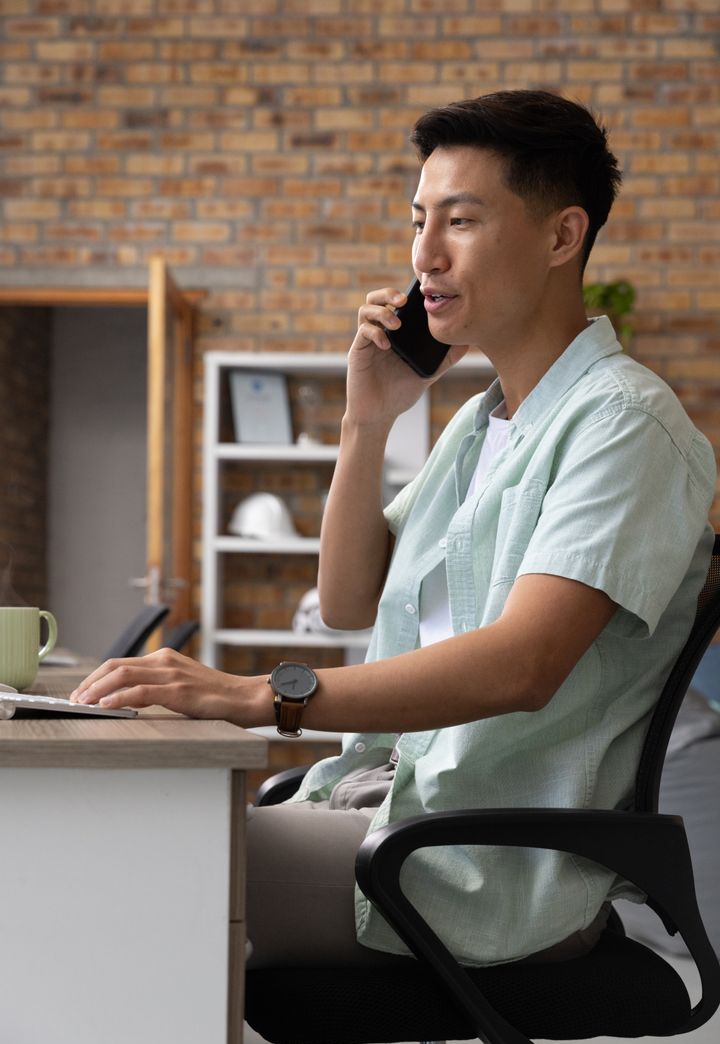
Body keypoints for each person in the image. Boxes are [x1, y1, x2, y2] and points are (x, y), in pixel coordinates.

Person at [71, 89, 716, 969]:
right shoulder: (480, 425)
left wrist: (259, 694)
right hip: (388, 808)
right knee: (119, 838)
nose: (425, 256)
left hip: (487, 857)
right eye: (418, 221)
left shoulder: (624, 424)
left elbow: (524, 665)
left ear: (562, 238)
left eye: (461, 221)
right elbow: (344, 601)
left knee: (134, 858)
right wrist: (364, 421)